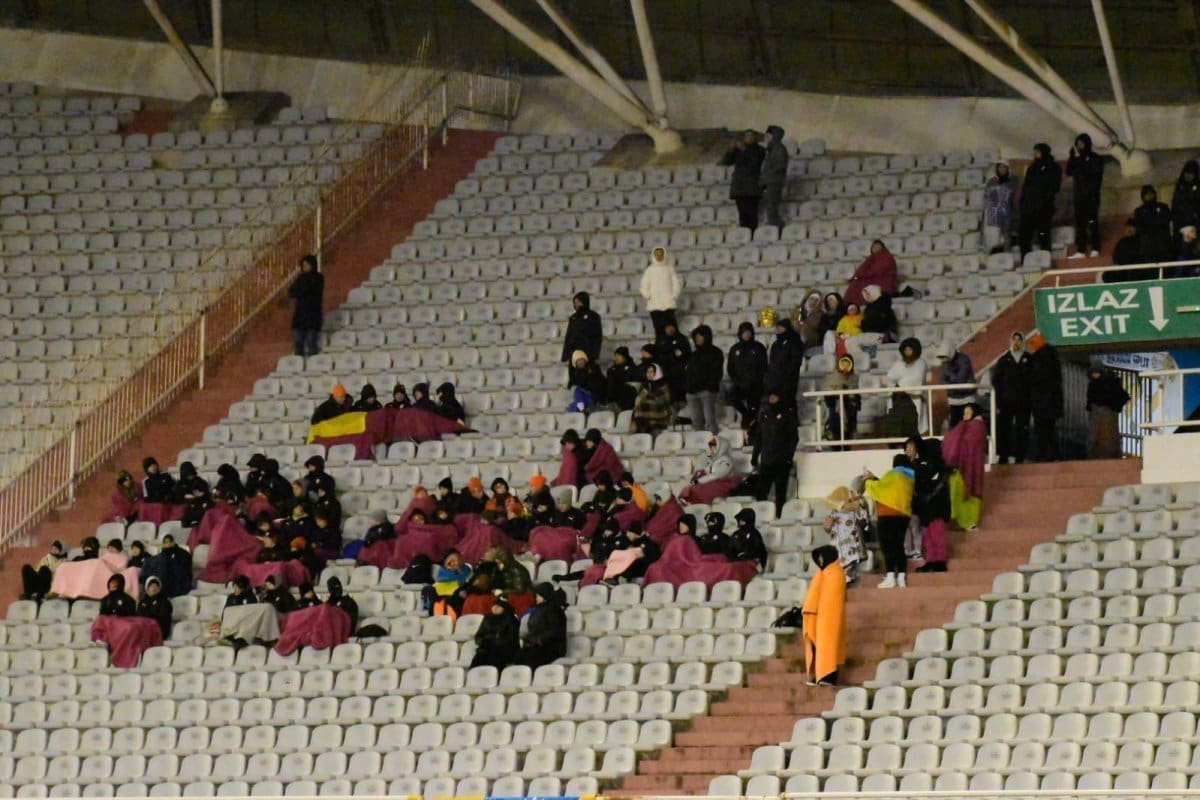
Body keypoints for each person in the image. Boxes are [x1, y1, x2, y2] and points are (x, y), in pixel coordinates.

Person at [864, 454, 915, 589]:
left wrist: (868, 481)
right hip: (903, 515)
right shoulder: (910, 477)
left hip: (887, 515)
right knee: (899, 546)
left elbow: (880, 487)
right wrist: (875, 478)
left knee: (887, 546)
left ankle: (891, 576)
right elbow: (889, 487)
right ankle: (901, 578)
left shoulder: (893, 474)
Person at [801, 545, 847, 686]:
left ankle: (828, 676)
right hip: (817, 615)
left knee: (829, 646)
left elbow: (832, 599)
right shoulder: (821, 573)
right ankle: (817, 674)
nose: (820, 560)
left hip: (829, 618)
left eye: (822, 557)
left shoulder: (836, 573)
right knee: (817, 646)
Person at [907, 436, 951, 573]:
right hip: (928, 508)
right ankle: (931, 561)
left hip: (936, 508)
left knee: (936, 534)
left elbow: (927, 479)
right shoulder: (928, 465)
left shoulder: (938, 466)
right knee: (928, 535)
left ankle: (939, 561)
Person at [750, 392, 799, 516]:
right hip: (766, 459)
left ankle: (779, 516)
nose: (771, 399)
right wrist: (754, 456)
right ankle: (759, 516)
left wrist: (788, 456)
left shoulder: (787, 414)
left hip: (782, 460)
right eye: (770, 396)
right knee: (761, 492)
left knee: (780, 493)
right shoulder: (764, 414)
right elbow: (759, 437)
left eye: (774, 396)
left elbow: (794, 438)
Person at [942, 403, 988, 530]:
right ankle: (962, 521)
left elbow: (963, 442)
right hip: (964, 467)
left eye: (968, 413)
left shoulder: (977, 427)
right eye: (964, 413)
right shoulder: (969, 426)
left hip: (966, 467)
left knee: (966, 494)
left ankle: (967, 522)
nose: (965, 416)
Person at [992, 332, 1032, 464]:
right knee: (1004, 429)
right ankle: (1003, 455)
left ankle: (1020, 456)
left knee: (1022, 429)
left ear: (1022, 342)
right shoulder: (1004, 360)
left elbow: (1034, 381)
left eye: (1019, 339)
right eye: (1014, 339)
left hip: (1024, 402)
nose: (1016, 342)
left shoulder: (1029, 359)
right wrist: (998, 403)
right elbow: (996, 382)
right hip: (1006, 402)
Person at [1018, 143, 1062, 257]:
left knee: (1043, 235)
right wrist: (1022, 203)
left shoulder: (1053, 167)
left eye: (1037, 151)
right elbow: (1026, 187)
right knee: (1025, 236)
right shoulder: (1032, 168)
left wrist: (1044, 200)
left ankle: (1045, 258)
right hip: (1028, 208)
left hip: (1044, 208)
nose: (1035, 154)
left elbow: (1054, 187)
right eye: (1034, 151)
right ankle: (1025, 259)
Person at [1026, 332, 1063, 462]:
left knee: (1042, 430)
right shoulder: (1053, 357)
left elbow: (1035, 378)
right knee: (1050, 429)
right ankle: (1055, 455)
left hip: (1041, 401)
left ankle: (1044, 456)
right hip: (1052, 402)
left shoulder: (1038, 359)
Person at [1066, 133, 1104, 259]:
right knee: (1080, 224)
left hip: (1092, 197)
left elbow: (1095, 176)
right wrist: (1072, 157)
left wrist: (1081, 161)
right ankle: (1081, 251)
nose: (1079, 146)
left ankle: (1095, 248)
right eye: (1077, 144)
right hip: (1079, 197)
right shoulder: (1077, 159)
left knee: (1092, 223)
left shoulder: (1096, 158)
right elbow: (1069, 171)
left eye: (1081, 143)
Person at [721, 129, 767, 230]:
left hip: (752, 188)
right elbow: (725, 162)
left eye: (751, 136)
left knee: (752, 216)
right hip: (740, 188)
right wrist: (731, 150)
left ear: (755, 138)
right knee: (742, 216)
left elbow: (754, 162)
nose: (748, 138)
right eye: (746, 136)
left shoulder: (760, 150)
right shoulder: (738, 150)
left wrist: (744, 149)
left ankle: (752, 234)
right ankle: (745, 233)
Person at [727, 321, 768, 430]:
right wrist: (737, 380)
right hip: (740, 383)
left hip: (755, 384)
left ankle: (751, 428)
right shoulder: (735, 349)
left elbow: (764, 367)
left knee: (753, 406)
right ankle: (746, 415)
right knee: (732, 396)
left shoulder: (759, 347)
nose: (747, 334)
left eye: (749, 332)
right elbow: (730, 368)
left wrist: (756, 380)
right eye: (744, 332)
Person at [821, 487, 866, 583]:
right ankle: (841, 578)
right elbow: (827, 529)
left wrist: (857, 509)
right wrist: (827, 525)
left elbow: (863, 523)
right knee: (836, 562)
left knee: (849, 560)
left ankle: (848, 576)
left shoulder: (855, 509)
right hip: (836, 543)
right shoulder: (833, 512)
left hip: (850, 541)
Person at [519, 583, 568, 668]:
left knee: (531, 658)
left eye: (539, 596)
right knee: (518, 656)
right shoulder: (537, 609)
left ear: (545, 595)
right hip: (536, 644)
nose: (536, 598)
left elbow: (555, 631)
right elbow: (532, 629)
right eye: (536, 596)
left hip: (552, 647)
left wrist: (540, 640)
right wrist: (527, 639)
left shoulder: (554, 610)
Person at [685, 324, 723, 434]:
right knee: (696, 421)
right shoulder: (694, 354)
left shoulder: (715, 352)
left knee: (709, 420)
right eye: (695, 337)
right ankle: (699, 442)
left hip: (707, 392)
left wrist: (709, 387)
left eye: (699, 336)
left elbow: (716, 372)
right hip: (692, 392)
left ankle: (713, 443)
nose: (697, 339)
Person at [887, 337, 930, 434]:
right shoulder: (899, 363)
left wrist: (902, 378)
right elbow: (890, 377)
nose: (907, 352)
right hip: (900, 400)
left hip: (916, 399)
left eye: (910, 349)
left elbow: (916, 379)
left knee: (916, 427)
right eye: (905, 350)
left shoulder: (921, 363)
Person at [1085, 366, 1129, 459]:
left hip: (1102, 412)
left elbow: (1090, 400)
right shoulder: (1108, 383)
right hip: (1109, 412)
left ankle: (1093, 455)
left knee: (1097, 435)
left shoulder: (1096, 384)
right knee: (1108, 435)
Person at [640, 247, 682, 337]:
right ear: (653, 256)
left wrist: (674, 295)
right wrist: (648, 296)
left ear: (664, 255)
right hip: (654, 305)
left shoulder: (670, 269)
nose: (659, 256)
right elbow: (644, 286)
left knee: (672, 329)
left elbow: (676, 284)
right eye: (657, 254)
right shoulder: (649, 270)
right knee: (659, 329)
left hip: (668, 304)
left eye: (661, 254)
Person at [470, 596, 521, 670]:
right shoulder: (487, 618)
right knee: (478, 660)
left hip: (504, 650)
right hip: (487, 648)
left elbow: (510, 638)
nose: (495, 608)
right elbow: (478, 636)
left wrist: (493, 642)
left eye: (498, 606)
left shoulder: (512, 620)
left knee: (493, 659)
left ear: (504, 608)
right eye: (494, 605)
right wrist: (483, 642)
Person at [764, 318, 804, 410]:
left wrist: (787, 373)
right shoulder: (775, 344)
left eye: (781, 328)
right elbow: (772, 361)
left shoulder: (795, 342)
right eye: (777, 328)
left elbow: (796, 361)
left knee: (788, 403)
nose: (778, 330)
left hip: (789, 379)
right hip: (775, 380)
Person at [288, 253, 324, 357]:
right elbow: (292, 292)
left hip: (312, 316)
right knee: (298, 344)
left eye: (307, 265)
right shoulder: (300, 278)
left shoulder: (318, 278)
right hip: (300, 316)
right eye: (303, 265)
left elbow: (308, 290)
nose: (304, 267)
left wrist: (301, 288)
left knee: (311, 344)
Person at [844, 240, 899, 306]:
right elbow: (862, 269)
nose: (876, 248)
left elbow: (876, 270)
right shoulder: (871, 258)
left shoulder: (886, 257)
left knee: (858, 284)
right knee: (855, 283)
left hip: (882, 281)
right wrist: (856, 276)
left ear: (883, 248)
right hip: (872, 278)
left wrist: (861, 275)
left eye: (878, 246)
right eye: (874, 247)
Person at [823, 355, 860, 445]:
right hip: (836, 408)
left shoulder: (854, 378)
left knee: (849, 435)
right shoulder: (833, 377)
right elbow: (827, 393)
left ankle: (849, 436)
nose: (845, 366)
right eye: (843, 363)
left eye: (848, 364)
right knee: (836, 431)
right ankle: (833, 436)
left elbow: (856, 393)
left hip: (850, 409)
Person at [937, 344, 976, 429]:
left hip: (967, 399)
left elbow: (960, 379)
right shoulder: (945, 364)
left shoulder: (964, 359)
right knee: (954, 428)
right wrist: (951, 383)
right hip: (953, 400)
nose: (944, 359)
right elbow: (942, 381)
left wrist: (949, 374)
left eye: (945, 356)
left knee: (968, 426)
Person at [759, 124, 789, 229]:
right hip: (769, 182)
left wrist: (767, 175)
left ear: (774, 136)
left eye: (768, 136)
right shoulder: (772, 149)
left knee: (772, 210)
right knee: (769, 209)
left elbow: (781, 165)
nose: (766, 138)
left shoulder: (779, 148)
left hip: (774, 183)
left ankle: (778, 230)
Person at [561, 291, 602, 366]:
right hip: (573, 354)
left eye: (577, 302)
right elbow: (569, 336)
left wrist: (594, 354)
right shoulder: (573, 318)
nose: (575, 305)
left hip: (587, 354)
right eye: (575, 303)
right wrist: (565, 355)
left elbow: (597, 336)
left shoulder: (593, 316)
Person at [982, 161, 1015, 254]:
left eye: (1004, 167)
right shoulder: (991, 182)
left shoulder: (1011, 182)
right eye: (1000, 167)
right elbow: (986, 197)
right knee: (993, 237)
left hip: (1006, 213)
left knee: (1006, 235)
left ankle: (1006, 254)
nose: (1002, 169)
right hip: (993, 214)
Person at [631, 364, 674, 434]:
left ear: (657, 373)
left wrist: (648, 399)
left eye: (651, 372)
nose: (648, 374)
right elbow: (639, 398)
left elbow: (665, 401)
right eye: (647, 372)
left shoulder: (663, 386)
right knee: (638, 408)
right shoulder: (645, 386)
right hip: (646, 416)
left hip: (660, 414)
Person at [654, 320, 691, 403]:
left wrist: (681, 354)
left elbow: (688, 354)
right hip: (665, 371)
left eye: (671, 327)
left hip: (680, 371)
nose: (669, 329)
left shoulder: (681, 338)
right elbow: (657, 354)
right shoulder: (660, 340)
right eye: (667, 327)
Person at [605, 347, 640, 412]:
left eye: (618, 356)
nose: (616, 358)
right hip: (612, 400)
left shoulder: (632, 368)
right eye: (615, 356)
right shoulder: (612, 369)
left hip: (626, 401)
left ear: (624, 357)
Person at [1173, 160, 1200, 238]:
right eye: (1186, 172)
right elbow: (1175, 208)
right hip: (1181, 228)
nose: (1188, 175)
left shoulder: (1198, 188)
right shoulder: (1179, 188)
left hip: (1195, 227)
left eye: (1191, 173)